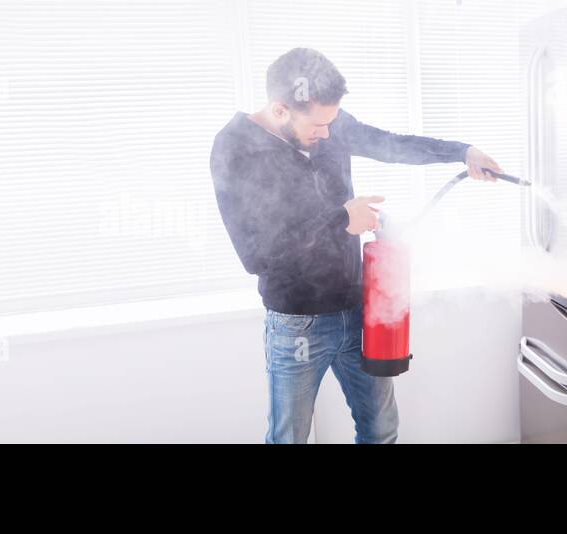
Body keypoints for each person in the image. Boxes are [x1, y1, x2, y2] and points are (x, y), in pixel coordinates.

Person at [209, 48, 503, 444]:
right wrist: (340, 221)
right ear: (280, 109)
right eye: (318, 125)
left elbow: (390, 145)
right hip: (298, 324)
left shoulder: (328, 123)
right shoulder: (235, 148)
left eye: (332, 122)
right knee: (288, 438)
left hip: (358, 311)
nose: (329, 134)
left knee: (381, 430)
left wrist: (462, 152)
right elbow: (257, 254)